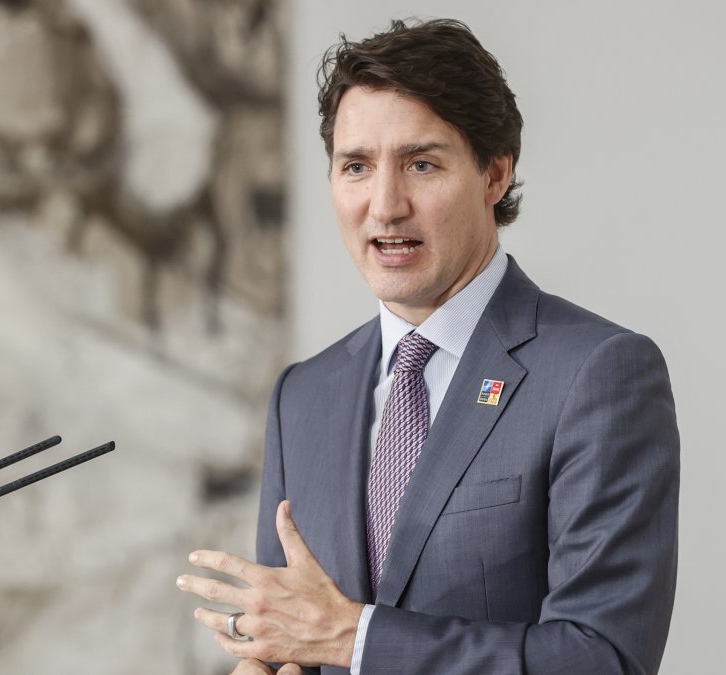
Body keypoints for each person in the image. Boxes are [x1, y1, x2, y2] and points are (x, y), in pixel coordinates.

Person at [176, 18, 679, 675]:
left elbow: (603, 658)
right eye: (356, 166)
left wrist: (351, 638)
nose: (385, 205)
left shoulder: (598, 373)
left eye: (421, 163)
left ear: (495, 173)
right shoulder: (302, 395)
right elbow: (287, 638)